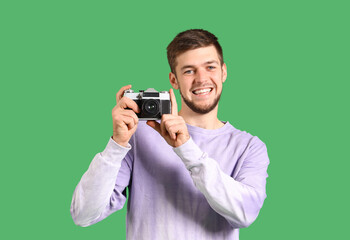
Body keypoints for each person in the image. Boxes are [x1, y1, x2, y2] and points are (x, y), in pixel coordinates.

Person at [70, 29, 270, 240]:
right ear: (173, 81)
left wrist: (185, 147)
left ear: (224, 72)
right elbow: (83, 215)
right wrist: (117, 144)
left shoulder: (249, 147)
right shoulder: (139, 135)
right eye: (189, 71)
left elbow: (245, 214)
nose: (202, 79)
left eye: (210, 67)